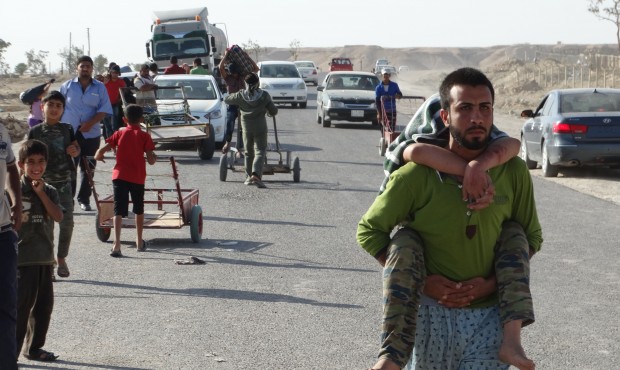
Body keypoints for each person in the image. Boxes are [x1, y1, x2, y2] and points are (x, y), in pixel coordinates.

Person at [358, 68, 543, 370]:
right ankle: (391, 356)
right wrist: (423, 283)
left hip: (489, 318)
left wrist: (491, 285)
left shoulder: (513, 172)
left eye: (485, 108)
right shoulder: (415, 176)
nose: (477, 118)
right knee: (404, 241)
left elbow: (532, 237)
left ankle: (513, 343)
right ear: (445, 117)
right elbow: (369, 231)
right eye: (465, 108)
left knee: (515, 234)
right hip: (428, 315)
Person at [15, 139, 63, 363]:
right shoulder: (13, 190)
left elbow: (58, 217)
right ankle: (9, 354)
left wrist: (42, 194)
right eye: (30, 162)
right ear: (20, 164)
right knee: (20, 309)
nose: (36, 167)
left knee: (43, 309)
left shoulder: (50, 190)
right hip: (21, 260)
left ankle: (33, 348)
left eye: (41, 162)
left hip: (44, 258)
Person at [27, 91, 80, 280]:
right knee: (44, 225)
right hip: (41, 185)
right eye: (51, 105)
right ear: (43, 107)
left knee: (67, 224)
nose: (55, 109)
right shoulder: (35, 131)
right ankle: (48, 262)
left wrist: (75, 150)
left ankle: (61, 258)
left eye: (59, 105)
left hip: (64, 184)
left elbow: (76, 148)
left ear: (63, 109)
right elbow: (26, 157)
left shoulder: (67, 129)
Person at [94, 104, 157, 257]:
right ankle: (139, 240)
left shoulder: (119, 134)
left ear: (124, 119)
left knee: (119, 210)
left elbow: (99, 152)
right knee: (138, 208)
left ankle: (116, 244)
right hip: (137, 177)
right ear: (141, 119)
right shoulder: (144, 136)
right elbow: (151, 161)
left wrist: (100, 157)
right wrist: (153, 155)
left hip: (119, 176)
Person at [59, 55, 113, 212]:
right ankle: (68, 201)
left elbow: (104, 109)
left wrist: (90, 123)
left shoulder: (100, 87)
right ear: (77, 68)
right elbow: (57, 106)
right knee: (70, 168)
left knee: (88, 167)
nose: (85, 69)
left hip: (92, 134)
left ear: (92, 69)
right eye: (82, 66)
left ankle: (84, 199)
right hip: (70, 134)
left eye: (88, 66)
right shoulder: (66, 86)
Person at [224, 72, 277, 188]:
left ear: (245, 83)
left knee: (248, 153)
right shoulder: (264, 96)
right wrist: (269, 111)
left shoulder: (240, 96)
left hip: (246, 128)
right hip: (260, 128)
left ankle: (248, 178)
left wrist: (237, 99)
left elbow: (227, 99)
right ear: (257, 83)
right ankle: (256, 174)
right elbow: (273, 111)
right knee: (260, 150)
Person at [0, 121, 23, 370]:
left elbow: (11, 167)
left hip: (3, 232)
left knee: (6, 306)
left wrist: (16, 202)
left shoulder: (1, 131)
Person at [219, 48, 259, 154]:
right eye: (233, 73)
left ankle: (240, 148)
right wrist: (226, 56)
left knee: (243, 126)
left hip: (243, 104)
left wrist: (247, 57)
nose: (234, 75)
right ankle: (227, 142)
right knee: (230, 122)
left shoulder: (243, 76)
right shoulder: (228, 78)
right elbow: (220, 67)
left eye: (236, 73)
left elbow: (256, 68)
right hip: (233, 104)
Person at [103, 65, 127, 139]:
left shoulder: (120, 81)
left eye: (116, 72)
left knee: (114, 125)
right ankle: (110, 142)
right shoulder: (106, 80)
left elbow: (125, 90)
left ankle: (115, 142)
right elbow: (98, 86)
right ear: (110, 72)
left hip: (114, 104)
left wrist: (120, 98)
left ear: (118, 73)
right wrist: (104, 79)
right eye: (113, 72)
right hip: (104, 105)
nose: (115, 74)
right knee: (107, 126)